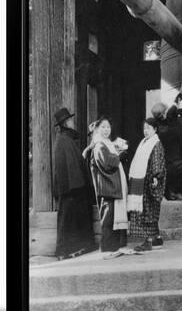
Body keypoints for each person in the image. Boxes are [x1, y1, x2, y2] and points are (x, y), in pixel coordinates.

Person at [53, 107, 96, 260]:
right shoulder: (65, 140)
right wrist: (80, 185)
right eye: (70, 120)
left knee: (70, 218)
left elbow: (75, 161)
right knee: (69, 219)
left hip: (71, 187)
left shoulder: (65, 139)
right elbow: (71, 166)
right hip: (72, 188)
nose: (73, 122)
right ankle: (65, 251)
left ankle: (72, 249)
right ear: (65, 123)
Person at [82, 117, 129, 259]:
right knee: (108, 218)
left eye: (108, 127)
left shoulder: (107, 144)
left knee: (112, 217)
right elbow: (107, 163)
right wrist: (119, 155)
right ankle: (108, 249)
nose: (106, 130)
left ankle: (114, 247)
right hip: (106, 186)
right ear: (97, 130)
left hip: (110, 186)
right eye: (103, 127)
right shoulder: (99, 145)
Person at [128, 117, 166, 252]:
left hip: (150, 182)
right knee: (148, 211)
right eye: (144, 128)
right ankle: (156, 239)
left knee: (148, 212)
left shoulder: (156, 144)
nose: (145, 131)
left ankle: (149, 241)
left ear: (155, 129)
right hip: (143, 182)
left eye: (148, 128)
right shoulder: (144, 142)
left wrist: (156, 176)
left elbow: (157, 161)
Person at [152, 93, 182, 200]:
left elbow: (170, 115)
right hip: (172, 165)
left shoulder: (160, 127)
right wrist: (176, 103)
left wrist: (175, 102)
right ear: (163, 115)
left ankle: (175, 191)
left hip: (173, 163)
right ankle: (173, 191)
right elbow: (171, 115)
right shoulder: (166, 130)